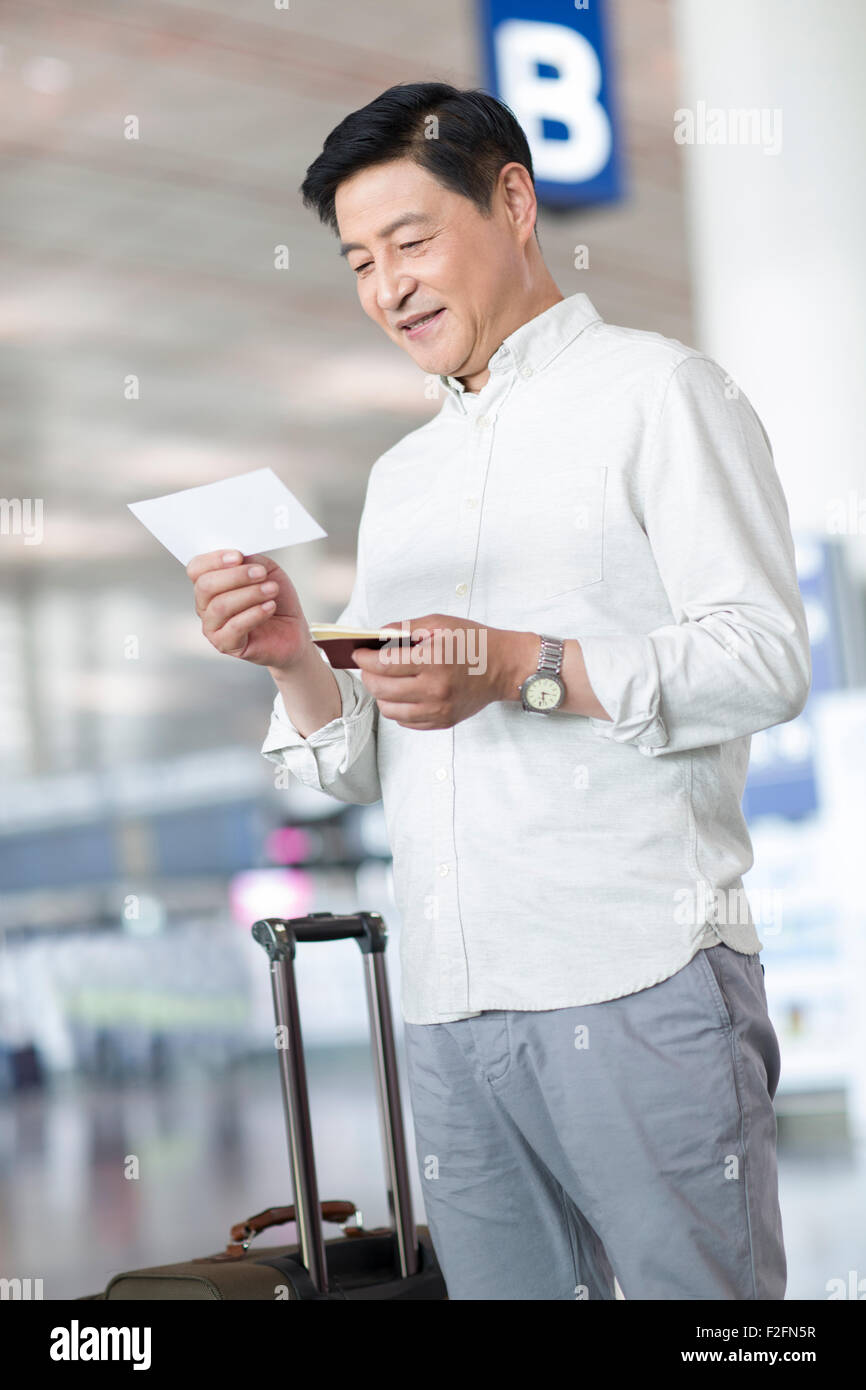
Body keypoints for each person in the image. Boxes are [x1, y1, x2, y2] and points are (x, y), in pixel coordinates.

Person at [186, 83, 811, 1300]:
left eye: (412, 242)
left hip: (636, 975)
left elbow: (761, 656)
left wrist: (519, 664)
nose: (387, 288)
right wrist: (292, 662)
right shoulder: (403, 476)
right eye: (360, 261)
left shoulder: (660, 393)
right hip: (449, 1003)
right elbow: (371, 756)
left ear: (513, 202)